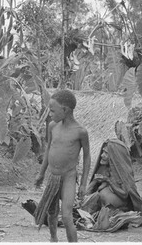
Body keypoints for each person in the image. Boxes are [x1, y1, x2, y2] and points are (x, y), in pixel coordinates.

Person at [34, 89, 91, 242]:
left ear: (65, 110)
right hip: (53, 176)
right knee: (52, 213)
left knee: (66, 216)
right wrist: (41, 173)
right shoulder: (52, 126)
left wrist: (84, 184)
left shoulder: (80, 132)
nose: (50, 114)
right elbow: (48, 150)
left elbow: (87, 158)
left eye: (52, 110)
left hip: (68, 176)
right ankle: (54, 239)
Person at [81, 138, 142, 215]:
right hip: (102, 206)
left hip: (116, 209)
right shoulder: (103, 169)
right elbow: (90, 190)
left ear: (114, 157)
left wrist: (108, 181)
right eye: (103, 151)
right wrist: (94, 182)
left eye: (106, 153)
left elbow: (124, 195)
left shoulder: (122, 174)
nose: (102, 155)